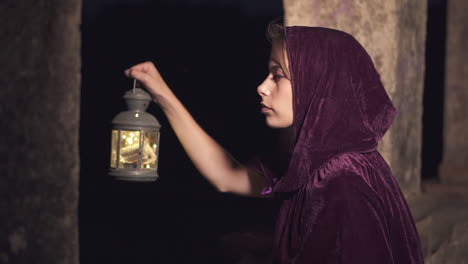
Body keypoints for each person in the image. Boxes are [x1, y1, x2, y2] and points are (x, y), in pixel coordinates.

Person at [124, 22, 424, 264]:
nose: (262, 86)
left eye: (277, 75)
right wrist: (161, 93)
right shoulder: (315, 160)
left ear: (316, 88)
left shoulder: (341, 183)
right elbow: (227, 176)